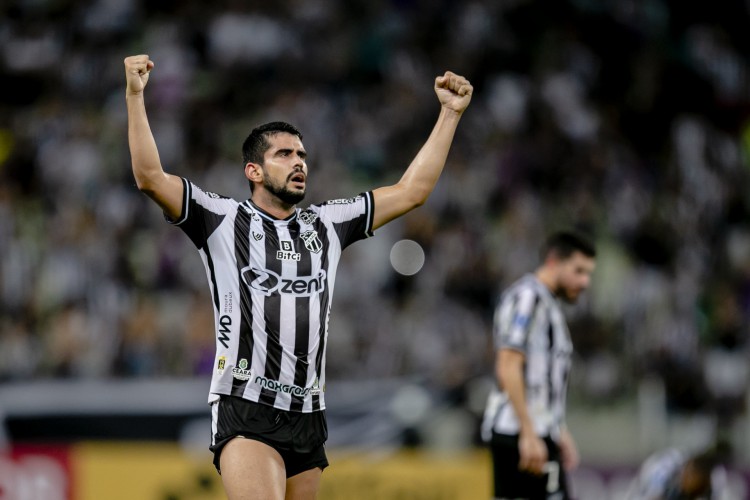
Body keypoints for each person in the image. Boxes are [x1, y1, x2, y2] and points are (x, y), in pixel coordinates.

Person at [123, 54, 472, 500]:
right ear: (254, 171)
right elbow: (150, 177)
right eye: (284, 154)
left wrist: (449, 114)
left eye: (302, 155)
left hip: (308, 412)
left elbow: (412, 192)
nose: (299, 162)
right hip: (246, 405)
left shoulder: (327, 223)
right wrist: (136, 96)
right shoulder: (222, 219)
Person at [480, 231, 597, 500]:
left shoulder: (547, 304)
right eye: (579, 271)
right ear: (554, 261)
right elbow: (508, 365)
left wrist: (558, 429)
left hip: (536, 431)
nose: (585, 281)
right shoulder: (527, 300)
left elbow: (542, 381)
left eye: (588, 273)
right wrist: (528, 433)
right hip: (519, 434)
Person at [625, 446, 731, 500]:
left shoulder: (716, 477)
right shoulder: (662, 467)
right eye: (686, 473)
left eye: (691, 476)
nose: (685, 477)